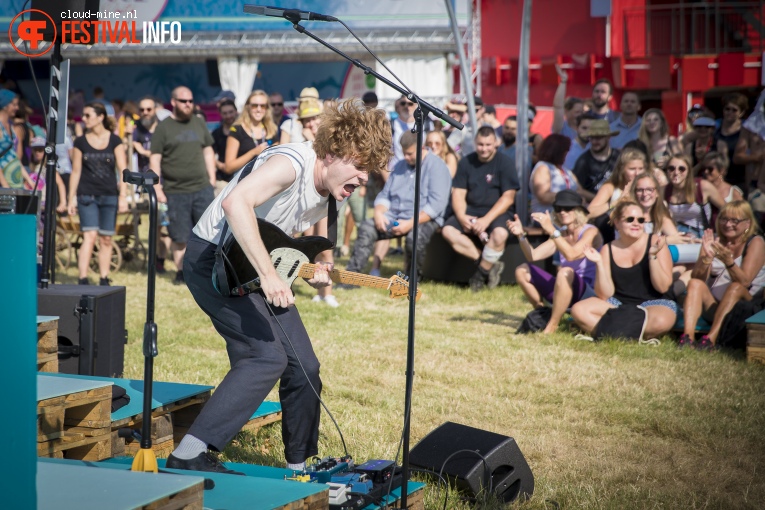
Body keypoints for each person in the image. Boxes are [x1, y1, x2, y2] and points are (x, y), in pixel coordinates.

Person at [166, 99, 392, 474]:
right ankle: (188, 453)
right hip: (212, 261)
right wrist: (270, 277)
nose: (365, 179)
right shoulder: (291, 163)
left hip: (253, 264)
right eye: (361, 167)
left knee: (305, 366)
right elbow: (236, 202)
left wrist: (317, 265)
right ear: (335, 153)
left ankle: (298, 468)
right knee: (264, 356)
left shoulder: (331, 189)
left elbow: (281, 236)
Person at [343, 131, 451, 281]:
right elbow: (385, 195)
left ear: (421, 147)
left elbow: (437, 205)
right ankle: (351, 277)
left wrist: (410, 223)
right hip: (395, 218)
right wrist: (379, 212)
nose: (406, 157)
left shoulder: (438, 167)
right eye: (404, 153)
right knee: (367, 228)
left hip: (424, 220)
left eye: (410, 154)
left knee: (415, 238)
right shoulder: (400, 166)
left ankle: (411, 281)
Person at [570, 200, 677, 338]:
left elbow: (662, 287)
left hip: (654, 304)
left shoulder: (655, 241)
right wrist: (600, 263)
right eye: (630, 219)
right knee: (579, 310)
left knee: (662, 321)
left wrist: (652, 256)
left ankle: (610, 332)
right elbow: (604, 295)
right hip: (618, 305)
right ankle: (632, 334)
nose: (636, 223)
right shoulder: (608, 249)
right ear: (617, 222)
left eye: (641, 220)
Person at [509, 190, 602, 333]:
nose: (562, 212)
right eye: (558, 208)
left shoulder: (591, 231)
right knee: (522, 270)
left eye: (567, 208)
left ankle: (552, 326)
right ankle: (543, 313)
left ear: (578, 210)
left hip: (587, 292)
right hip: (564, 285)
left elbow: (572, 255)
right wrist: (521, 236)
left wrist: (552, 230)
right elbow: (533, 255)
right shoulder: (561, 234)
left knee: (565, 272)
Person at [150, 86, 217, 285]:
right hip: (175, 191)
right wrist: (157, 187)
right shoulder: (163, 128)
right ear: (173, 102)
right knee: (179, 236)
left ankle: (206, 272)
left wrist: (212, 178)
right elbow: (155, 159)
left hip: (202, 188)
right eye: (183, 101)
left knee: (209, 233)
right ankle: (181, 273)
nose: (188, 104)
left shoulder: (198, 122)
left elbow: (208, 151)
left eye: (190, 101)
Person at [441, 126, 520, 291]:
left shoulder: (505, 163)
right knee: (448, 231)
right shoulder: (466, 162)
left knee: (500, 234)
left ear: (495, 144)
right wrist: (462, 217)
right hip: (471, 211)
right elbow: (458, 194)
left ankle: (479, 277)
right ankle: (487, 264)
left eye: (488, 145)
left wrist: (485, 221)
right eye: (480, 144)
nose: (484, 149)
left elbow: (508, 198)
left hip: (497, 212)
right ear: (475, 143)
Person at [680, 201, 765, 349]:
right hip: (714, 306)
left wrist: (729, 262)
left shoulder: (756, 242)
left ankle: (711, 340)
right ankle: (688, 337)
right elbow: (698, 278)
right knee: (694, 284)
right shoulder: (713, 240)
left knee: (735, 287)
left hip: (742, 309)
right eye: (724, 219)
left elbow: (745, 282)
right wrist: (706, 258)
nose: (728, 224)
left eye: (735, 220)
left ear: (747, 223)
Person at [68, 102, 129, 285]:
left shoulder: (115, 141)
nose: (84, 119)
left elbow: (123, 170)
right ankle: (83, 278)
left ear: (100, 117)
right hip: (87, 195)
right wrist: (71, 198)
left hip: (109, 194)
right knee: (90, 235)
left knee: (106, 238)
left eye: (87, 115)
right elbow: (76, 171)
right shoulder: (80, 142)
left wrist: (123, 196)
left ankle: (103, 278)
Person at [664, 154, 725, 239]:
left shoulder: (702, 186)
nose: (676, 172)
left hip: (700, 234)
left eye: (681, 169)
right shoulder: (665, 190)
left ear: (688, 171)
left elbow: (726, 209)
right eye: (671, 168)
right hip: (675, 234)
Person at [530, 133, 591, 216]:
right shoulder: (543, 167)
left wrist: (599, 198)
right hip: (548, 215)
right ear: (558, 151)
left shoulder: (564, 169)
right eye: (566, 151)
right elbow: (544, 196)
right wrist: (572, 199)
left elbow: (579, 191)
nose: (567, 154)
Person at [225, 90, 279, 175]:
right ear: (248, 107)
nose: (258, 109)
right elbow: (229, 167)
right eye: (254, 106)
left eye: (263, 106)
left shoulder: (271, 129)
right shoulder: (237, 129)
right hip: (244, 181)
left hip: (268, 180)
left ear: (267, 108)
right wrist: (253, 152)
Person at [629, 172, 689, 244]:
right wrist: (665, 241)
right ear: (634, 193)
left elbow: (677, 239)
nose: (644, 194)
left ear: (657, 192)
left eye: (649, 189)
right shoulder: (629, 217)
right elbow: (634, 243)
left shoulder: (660, 216)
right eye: (640, 190)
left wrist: (691, 241)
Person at [587, 148, 648, 220]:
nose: (637, 173)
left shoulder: (649, 187)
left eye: (641, 169)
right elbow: (589, 213)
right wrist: (615, 203)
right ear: (622, 169)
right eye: (632, 169)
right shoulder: (611, 187)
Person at [571, 119, 621, 194]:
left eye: (598, 137)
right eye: (592, 138)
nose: (594, 141)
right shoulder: (583, 161)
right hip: (591, 204)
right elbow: (577, 189)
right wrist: (600, 201)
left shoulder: (619, 157)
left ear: (608, 137)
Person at [0, 89, 33, 189]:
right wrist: (5, 186)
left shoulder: (11, 127)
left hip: (16, 184)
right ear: (5, 105)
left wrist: (29, 180)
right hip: (4, 186)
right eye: (14, 105)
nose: (17, 108)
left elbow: (15, 157)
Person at [715, 93, 748, 192]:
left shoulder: (746, 130)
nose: (730, 112)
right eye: (727, 109)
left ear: (741, 113)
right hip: (718, 180)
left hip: (741, 179)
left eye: (734, 110)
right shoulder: (715, 127)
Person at [210, 99, 238, 196]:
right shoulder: (216, 134)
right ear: (221, 114)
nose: (228, 116)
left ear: (236, 111)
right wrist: (220, 165)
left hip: (242, 178)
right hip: (222, 180)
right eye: (225, 113)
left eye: (231, 112)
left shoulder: (244, 131)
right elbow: (210, 154)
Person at [550, 64, 583, 142]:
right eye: (577, 112)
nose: (580, 115)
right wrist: (563, 81)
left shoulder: (587, 127)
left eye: (582, 112)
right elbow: (558, 107)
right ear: (566, 111)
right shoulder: (561, 128)